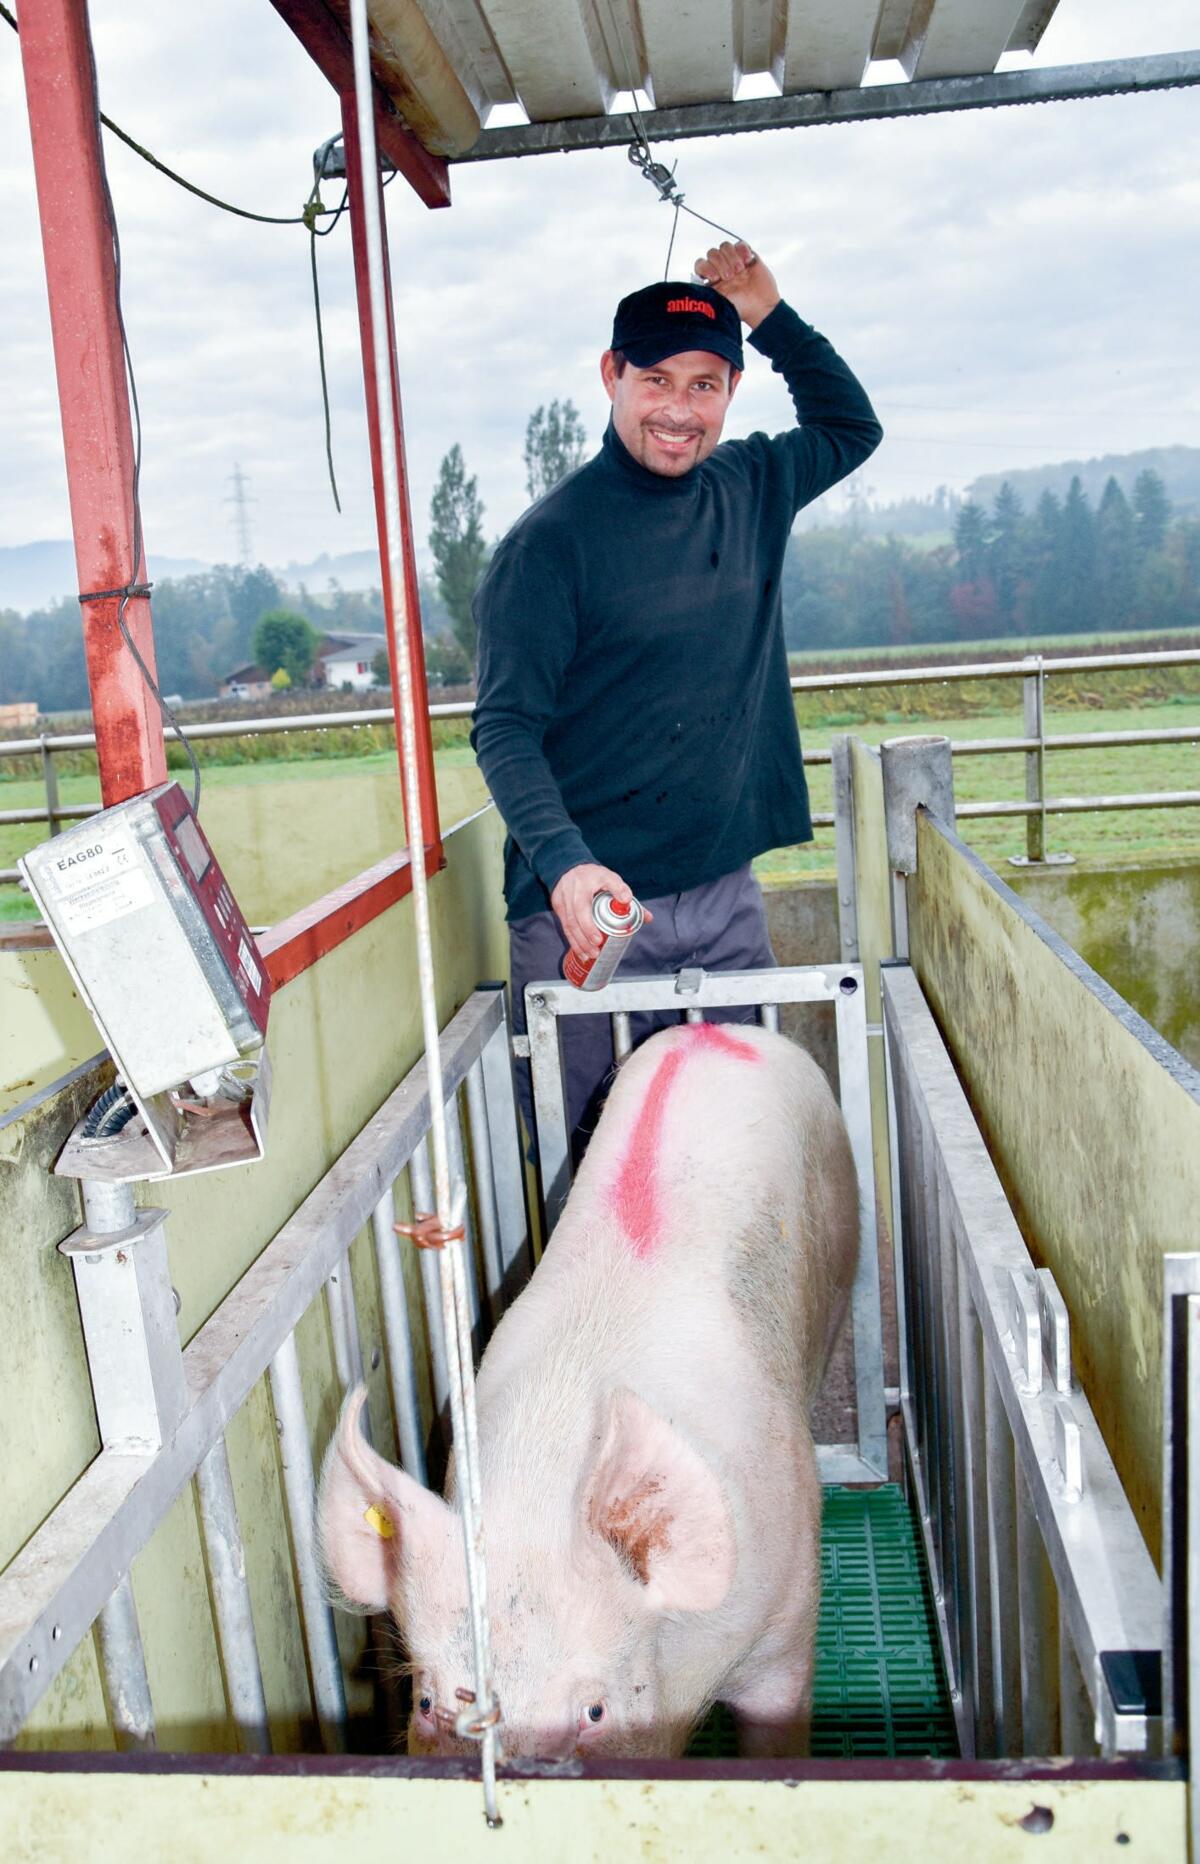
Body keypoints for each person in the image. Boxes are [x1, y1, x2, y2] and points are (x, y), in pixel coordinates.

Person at [470, 241, 882, 1150]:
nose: (679, 410)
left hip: (725, 902)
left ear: (732, 392)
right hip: (588, 920)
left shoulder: (753, 486)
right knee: (597, 1169)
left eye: (705, 385)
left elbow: (852, 426)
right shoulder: (550, 545)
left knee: (744, 1151)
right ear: (612, 376)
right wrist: (566, 864)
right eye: (656, 378)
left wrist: (768, 313)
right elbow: (504, 727)